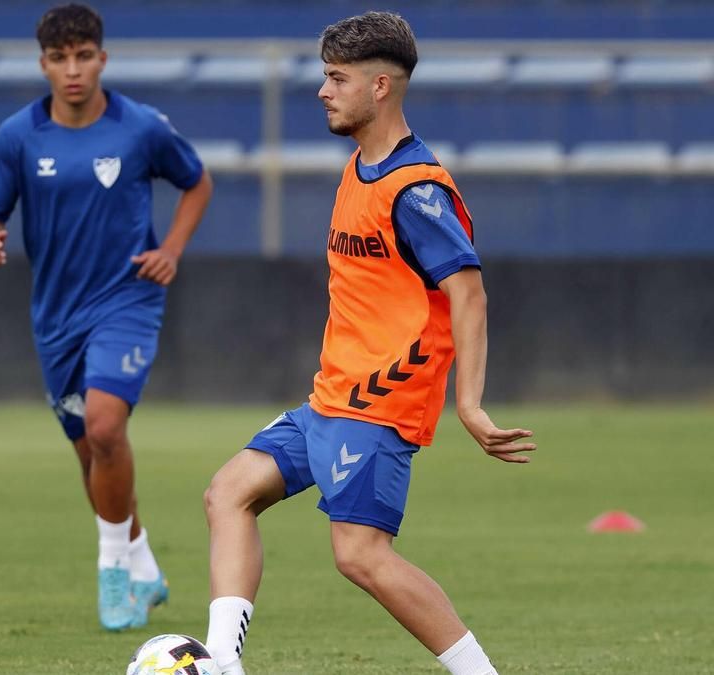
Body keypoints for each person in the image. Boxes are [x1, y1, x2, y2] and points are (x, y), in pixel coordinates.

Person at [201, 12, 536, 675]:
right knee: (228, 492)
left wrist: (468, 403)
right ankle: (220, 662)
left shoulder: (416, 191)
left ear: (381, 86)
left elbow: (468, 294)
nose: (323, 91)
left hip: (380, 404)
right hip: (331, 398)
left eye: (337, 78)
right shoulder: (362, 165)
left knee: (360, 553)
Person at [0, 3, 213, 632]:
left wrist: (172, 250)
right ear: (43, 64)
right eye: (59, 58)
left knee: (105, 428)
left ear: (102, 59)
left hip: (127, 298)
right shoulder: (18, 136)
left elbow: (197, 181)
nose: (72, 70)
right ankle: (144, 566)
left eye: (84, 56)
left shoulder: (141, 128)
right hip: (56, 314)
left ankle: (111, 571)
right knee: (91, 454)